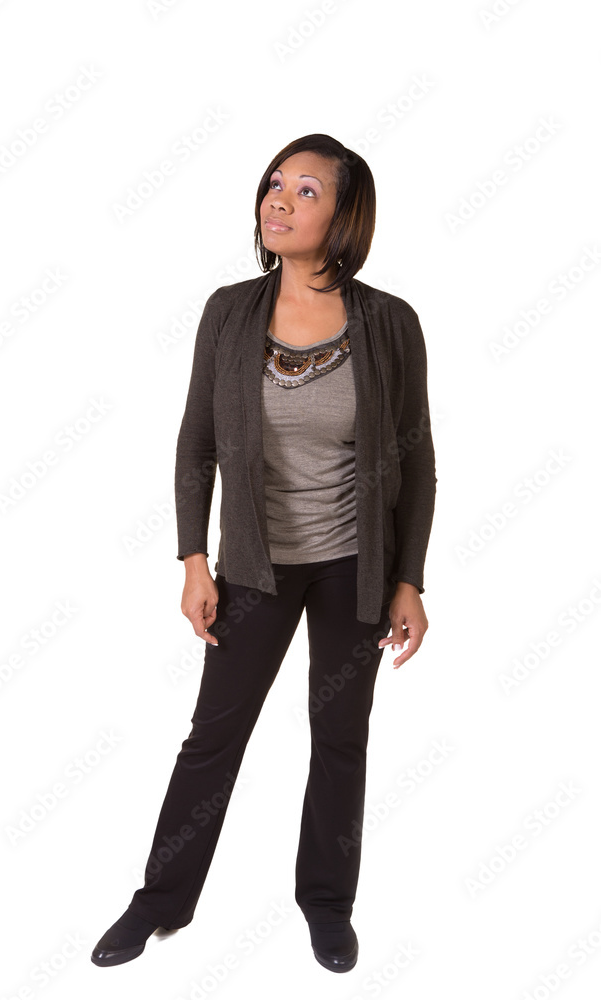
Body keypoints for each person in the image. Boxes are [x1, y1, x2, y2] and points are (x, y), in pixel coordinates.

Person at [91, 133, 437, 973]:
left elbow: (417, 457)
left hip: (354, 566)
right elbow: (196, 443)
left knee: (339, 736)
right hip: (253, 565)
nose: (277, 199)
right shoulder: (229, 311)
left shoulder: (389, 323)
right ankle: (159, 902)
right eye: (274, 183)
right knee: (213, 737)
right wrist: (192, 559)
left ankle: (326, 905)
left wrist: (408, 580)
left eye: (306, 190)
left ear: (345, 216)